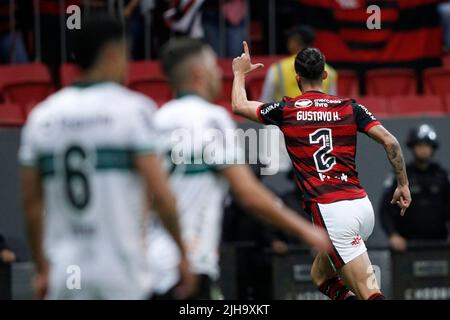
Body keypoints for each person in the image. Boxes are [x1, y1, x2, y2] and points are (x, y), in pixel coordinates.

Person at [19, 16, 195, 300]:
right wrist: (183, 255)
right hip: (121, 274)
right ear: (113, 54)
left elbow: (31, 205)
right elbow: (162, 196)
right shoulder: (133, 111)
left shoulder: (42, 117)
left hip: (66, 275)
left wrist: (42, 269)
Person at [147, 37, 331, 300]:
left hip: (151, 266)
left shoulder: (156, 119)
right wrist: (305, 231)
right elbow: (248, 194)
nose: (216, 75)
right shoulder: (211, 119)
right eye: (213, 68)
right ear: (199, 74)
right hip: (187, 266)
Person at [231, 42, 411, 300]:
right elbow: (391, 142)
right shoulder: (350, 107)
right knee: (321, 277)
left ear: (297, 78)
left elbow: (239, 105)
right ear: (325, 75)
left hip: (332, 212)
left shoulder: (286, 110)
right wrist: (403, 184)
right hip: (361, 207)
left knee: (370, 292)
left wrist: (239, 73)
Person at [380, 124, 450, 251]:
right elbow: (385, 210)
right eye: (420, 145)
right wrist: (393, 235)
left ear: (433, 148)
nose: (424, 149)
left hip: (441, 243)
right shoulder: (401, 177)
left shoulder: (442, 176)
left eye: (427, 145)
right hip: (407, 244)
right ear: (412, 147)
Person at [260, 25, 337, 102]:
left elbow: (265, 100)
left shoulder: (277, 69)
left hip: (285, 113)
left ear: (295, 41)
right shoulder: (330, 71)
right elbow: (332, 103)